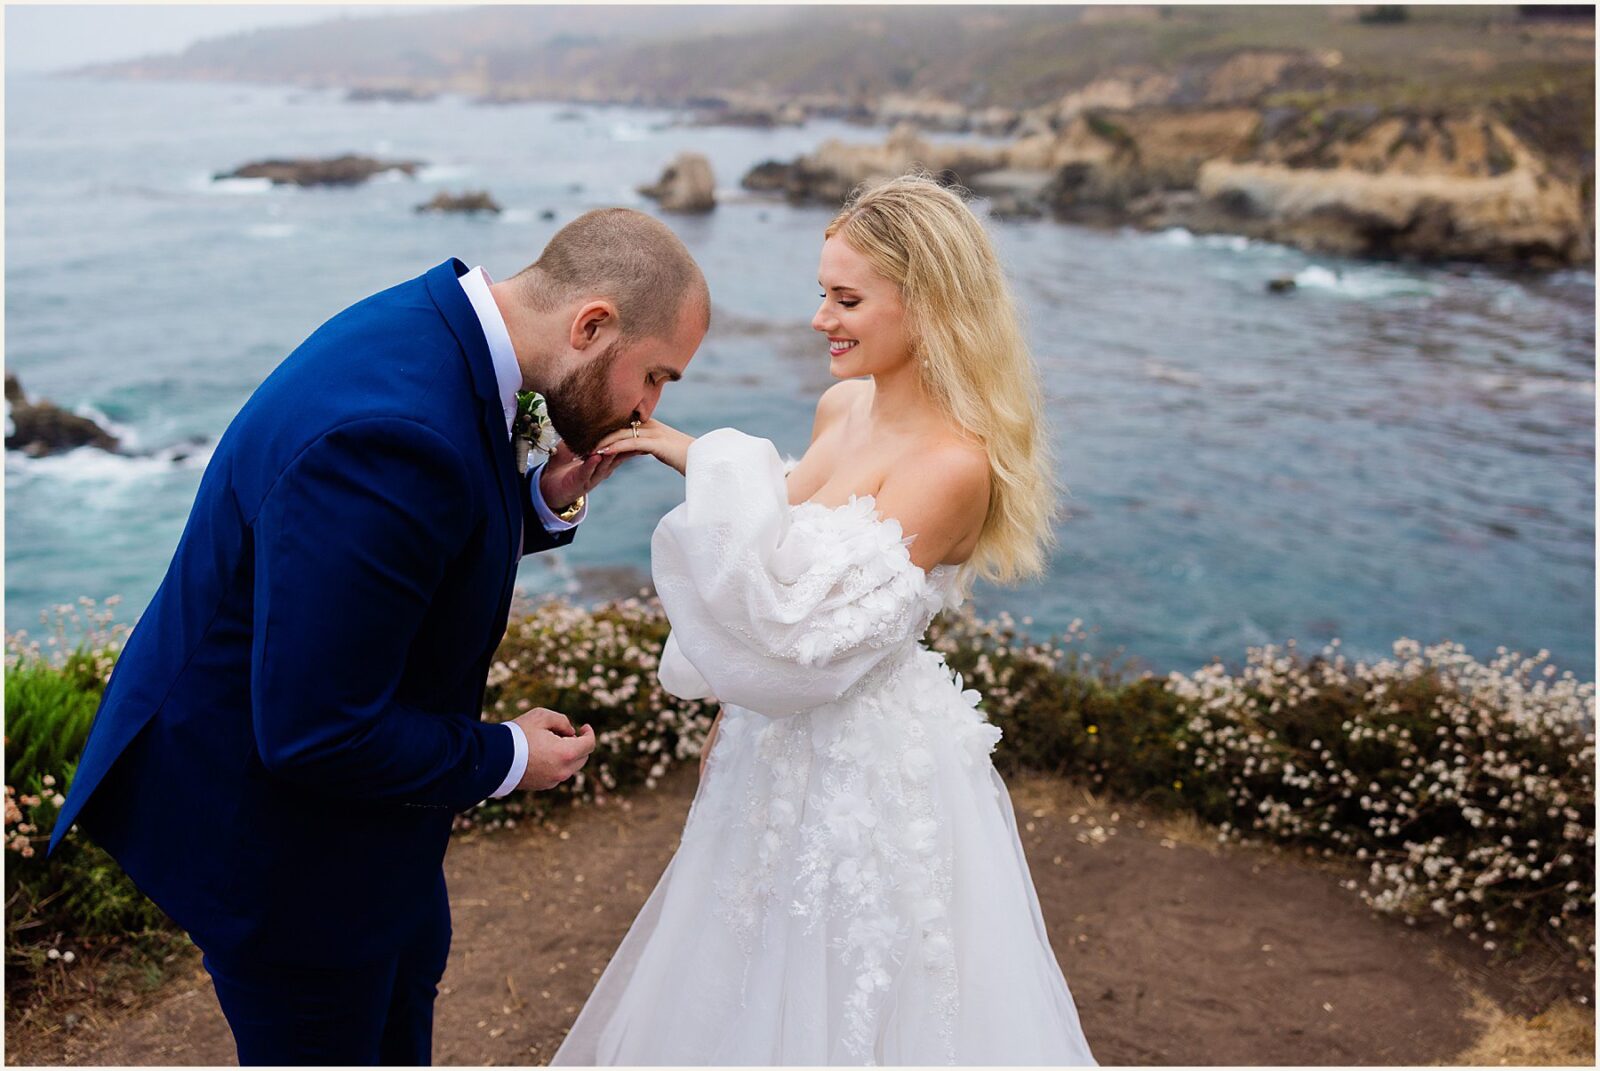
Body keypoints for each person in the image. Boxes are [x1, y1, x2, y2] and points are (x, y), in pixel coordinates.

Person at [47, 208, 709, 1065]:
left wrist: (542, 498)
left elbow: (421, 529)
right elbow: (318, 730)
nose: (649, 409)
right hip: (282, 858)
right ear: (590, 324)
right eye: (654, 377)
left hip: (371, 837)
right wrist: (509, 756)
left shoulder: (435, 327)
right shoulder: (395, 432)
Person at [552, 174, 1097, 1065]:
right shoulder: (842, 406)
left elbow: (809, 635)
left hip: (867, 773)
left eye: (846, 299)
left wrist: (717, 477)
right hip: (776, 746)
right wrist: (676, 445)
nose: (820, 320)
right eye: (822, 294)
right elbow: (785, 518)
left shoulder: (954, 465)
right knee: (743, 968)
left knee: (853, 986)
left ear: (929, 305)